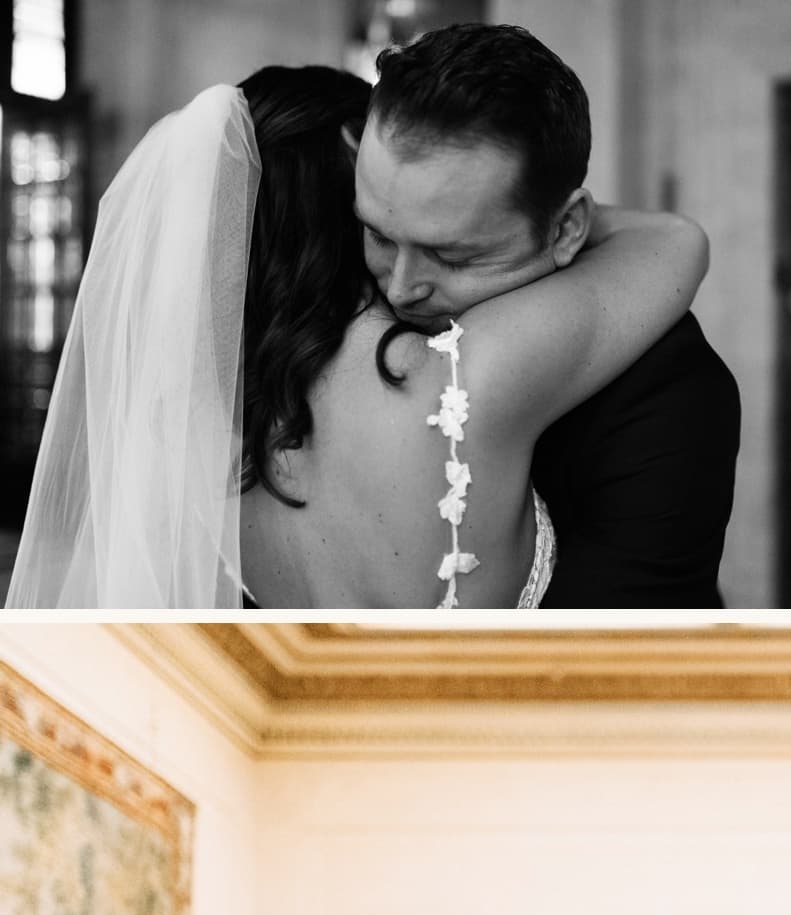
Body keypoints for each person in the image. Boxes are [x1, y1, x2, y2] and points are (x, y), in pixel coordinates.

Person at [6, 28, 735, 609]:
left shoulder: (202, 409)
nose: (409, 284)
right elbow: (677, 240)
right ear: (348, 195)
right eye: (380, 234)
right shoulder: (462, 378)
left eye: (452, 250)